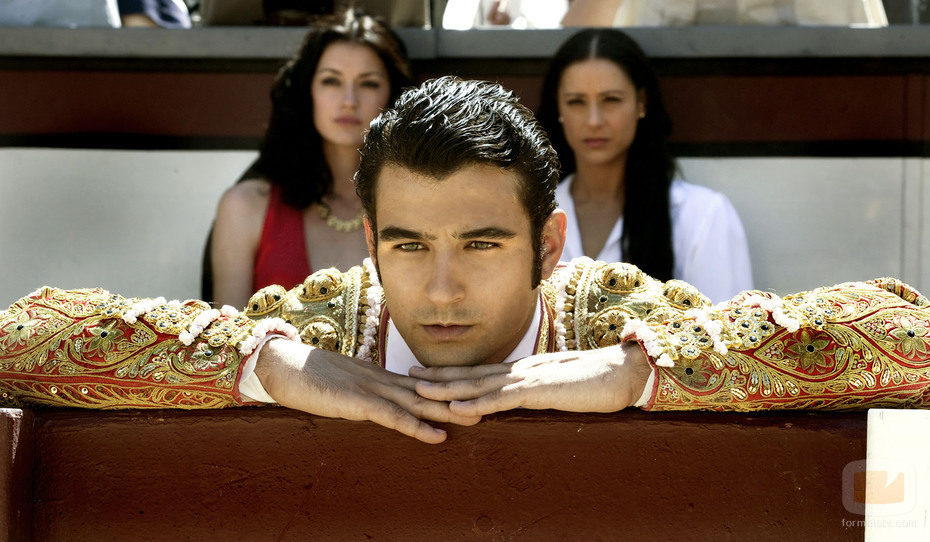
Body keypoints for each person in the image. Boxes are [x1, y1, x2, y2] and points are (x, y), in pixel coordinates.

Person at [2, 76, 930, 446]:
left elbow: (911, 338)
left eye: (483, 246)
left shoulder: (615, 316)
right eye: (407, 246)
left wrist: (641, 369)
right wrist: (264, 361)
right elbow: (17, 341)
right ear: (369, 243)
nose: (439, 292)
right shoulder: (326, 321)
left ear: (551, 245)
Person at [204, 7, 413, 308]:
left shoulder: (420, 208)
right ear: (307, 91)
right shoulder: (245, 207)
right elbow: (228, 345)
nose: (349, 101)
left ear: (393, 95)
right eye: (331, 81)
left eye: (368, 83)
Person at [537, 28, 752, 303]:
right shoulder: (533, 213)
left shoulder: (702, 216)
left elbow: (729, 337)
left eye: (611, 100)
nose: (593, 120)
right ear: (559, 108)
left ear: (641, 103)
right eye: (576, 101)